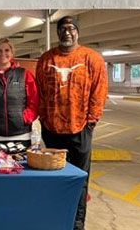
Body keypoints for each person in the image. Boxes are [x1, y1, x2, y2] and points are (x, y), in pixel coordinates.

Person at [36, 16, 108, 230]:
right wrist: (43, 118)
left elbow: (99, 92)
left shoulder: (91, 58)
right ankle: (56, 219)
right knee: (54, 178)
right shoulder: (46, 59)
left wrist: (91, 123)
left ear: (77, 32)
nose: (67, 32)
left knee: (79, 180)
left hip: (80, 131)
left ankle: (77, 224)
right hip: (51, 131)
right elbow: (39, 91)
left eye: (71, 28)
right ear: (57, 33)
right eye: (63, 29)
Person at [0, 38, 39, 147]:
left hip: (21, 135)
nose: (3, 53)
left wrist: (25, 118)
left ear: (12, 53)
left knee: (20, 164)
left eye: (7, 50)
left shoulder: (24, 75)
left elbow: (34, 101)